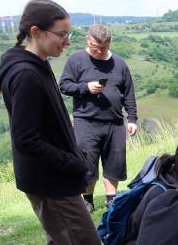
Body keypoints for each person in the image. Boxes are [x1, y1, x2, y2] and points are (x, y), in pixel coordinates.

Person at [0, 0, 112, 245]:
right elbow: (27, 139)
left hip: (49, 177)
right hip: (50, 180)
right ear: (35, 31)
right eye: (61, 34)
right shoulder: (26, 74)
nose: (66, 41)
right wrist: (73, 162)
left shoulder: (35, 62)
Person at [59, 24, 138, 212]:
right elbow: (64, 85)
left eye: (105, 47)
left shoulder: (119, 63)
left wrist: (132, 118)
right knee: (87, 162)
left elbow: (128, 92)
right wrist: (86, 88)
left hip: (115, 121)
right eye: (97, 47)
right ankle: (87, 199)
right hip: (86, 121)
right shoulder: (76, 60)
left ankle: (111, 199)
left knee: (115, 161)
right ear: (88, 40)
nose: (101, 51)